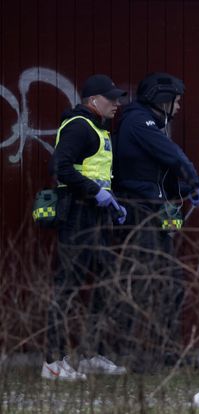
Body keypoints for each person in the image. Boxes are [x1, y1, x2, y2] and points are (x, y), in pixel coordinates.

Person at [113, 72, 199, 371]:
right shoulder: (137, 121)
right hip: (138, 214)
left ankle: (169, 353)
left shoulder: (150, 125)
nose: (180, 107)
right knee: (145, 284)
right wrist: (195, 182)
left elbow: (157, 179)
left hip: (152, 211)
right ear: (162, 99)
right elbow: (174, 156)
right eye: (177, 101)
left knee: (170, 284)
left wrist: (185, 192)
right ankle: (135, 356)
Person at [43, 74, 129, 380]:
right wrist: (96, 193)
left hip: (97, 217)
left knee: (106, 283)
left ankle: (93, 354)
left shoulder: (98, 129)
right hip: (78, 216)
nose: (117, 104)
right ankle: (52, 363)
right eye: (112, 98)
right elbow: (60, 168)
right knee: (67, 287)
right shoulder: (79, 126)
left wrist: (112, 203)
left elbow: (98, 174)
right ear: (93, 100)